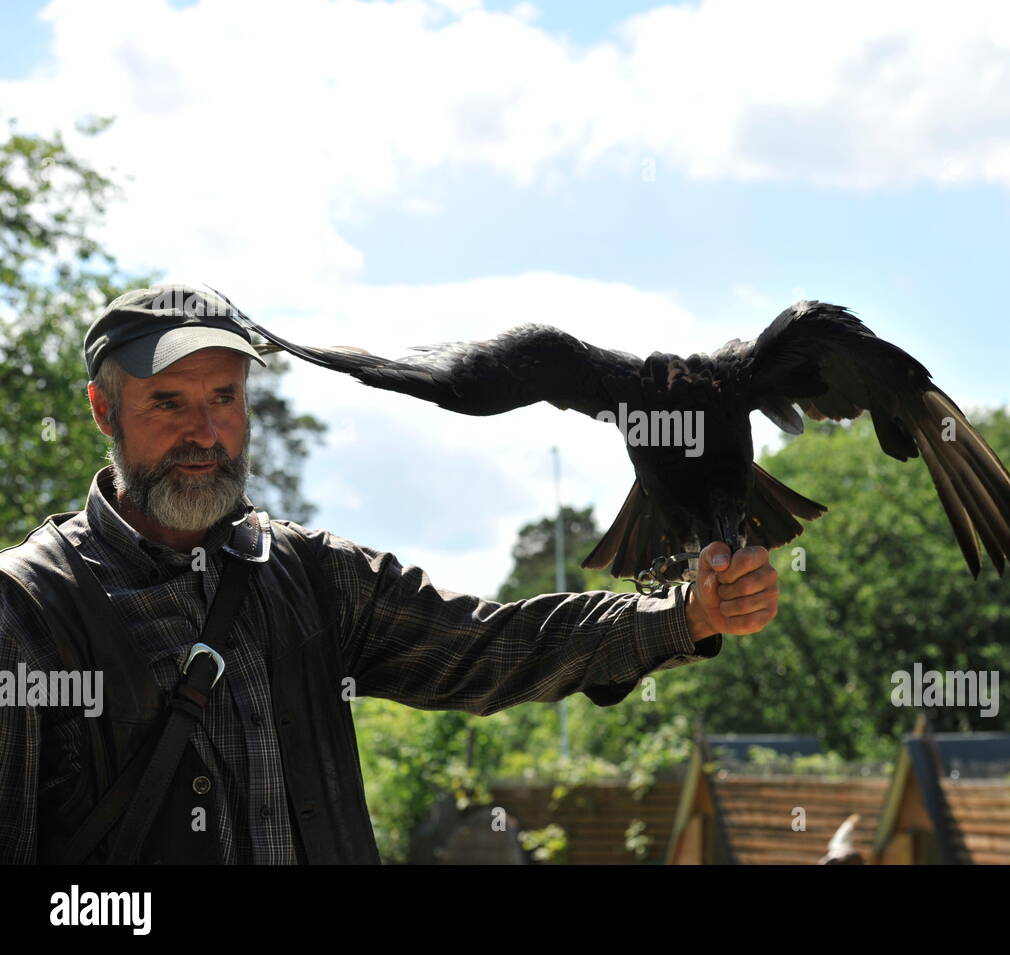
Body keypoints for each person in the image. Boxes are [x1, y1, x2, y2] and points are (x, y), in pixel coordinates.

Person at [0, 284, 780, 864]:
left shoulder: (306, 578)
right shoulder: (29, 613)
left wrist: (689, 614)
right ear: (105, 411)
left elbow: (491, 647)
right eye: (169, 402)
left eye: (225, 397)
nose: (206, 432)